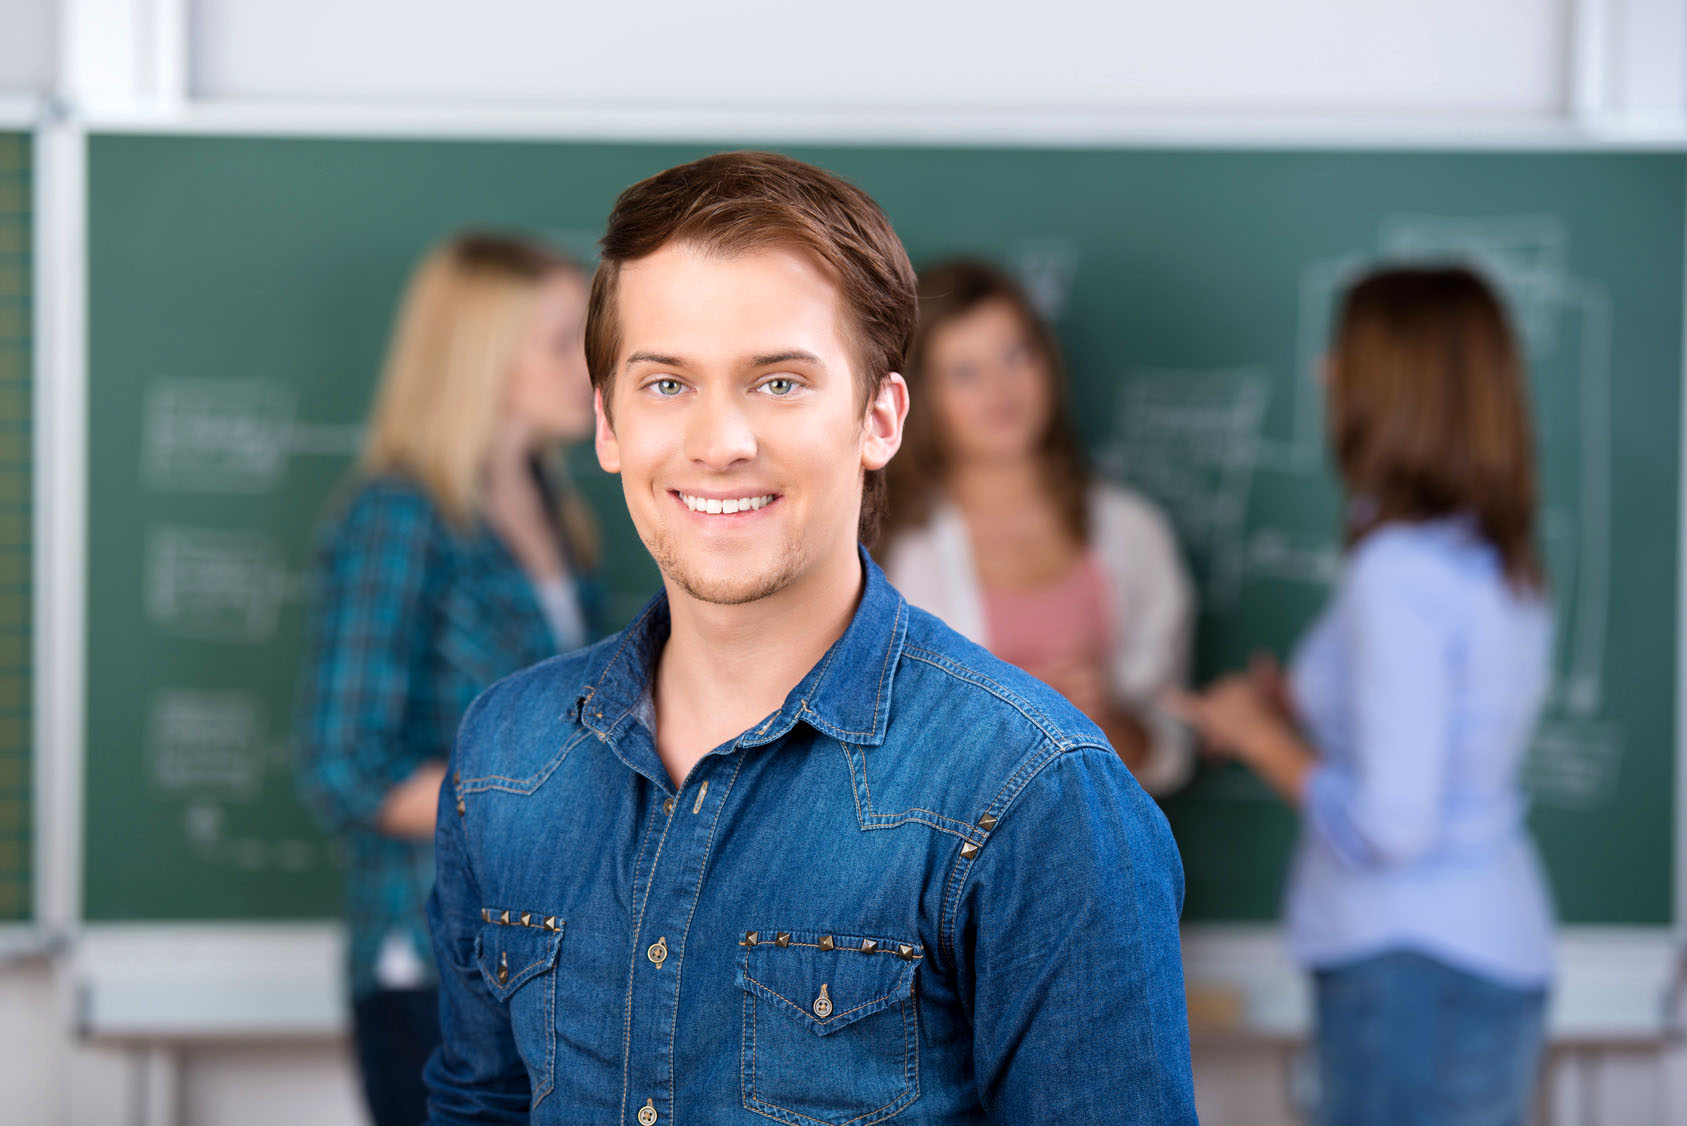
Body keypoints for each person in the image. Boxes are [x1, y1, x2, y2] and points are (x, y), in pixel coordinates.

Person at [423, 151, 1196, 1124]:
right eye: (666, 384)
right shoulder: (506, 754)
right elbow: (478, 1103)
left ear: (879, 418)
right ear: (607, 421)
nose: (720, 441)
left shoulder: (1037, 794)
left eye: (778, 383)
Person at [1167, 265, 1555, 1125]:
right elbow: (1441, 724)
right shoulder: (1486, 554)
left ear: (1394, 386)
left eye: (1344, 354)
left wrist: (1260, 739)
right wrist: (1295, 704)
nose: (1323, 373)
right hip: (1476, 950)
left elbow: (1392, 823)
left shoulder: (1398, 572)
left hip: (1412, 968)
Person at [296, 232, 602, 1126]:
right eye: (561, 343)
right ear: (485, 360)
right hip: (430, 964)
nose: (594, 367)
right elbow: (345, 767)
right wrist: (537, 809)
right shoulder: (401, 516)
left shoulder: (555, 510)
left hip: (545, 955)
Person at [880, 259, 1196, 795]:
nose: (999, 390)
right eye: (964, 372)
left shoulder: (1132, 530)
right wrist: (1020, 720)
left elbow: (1171, 751)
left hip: (1098, 866)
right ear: (924, 398)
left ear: (1046, 360)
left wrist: (1109, 719)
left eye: (1015, 355)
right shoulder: (892, 549)